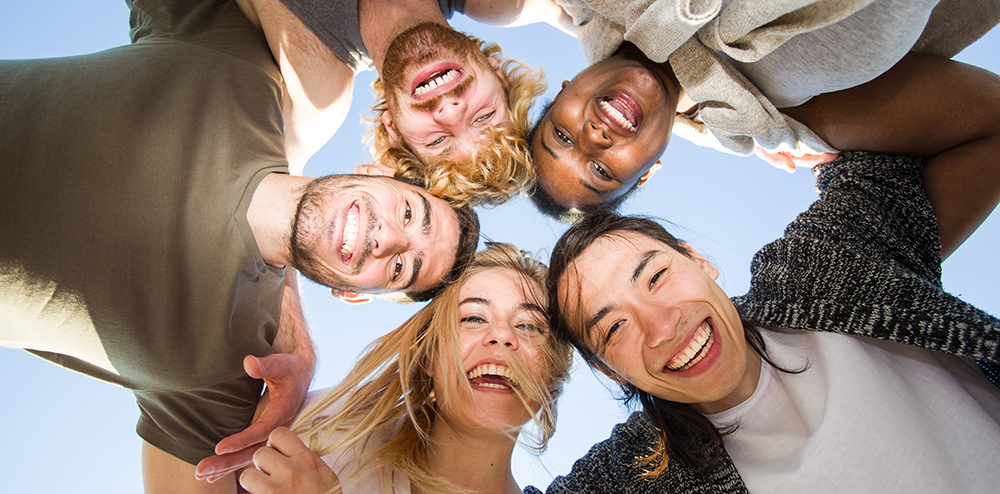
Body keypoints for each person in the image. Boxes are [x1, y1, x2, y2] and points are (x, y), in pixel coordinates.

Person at [0, 0, 480, 491]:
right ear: (375, 172)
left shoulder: (230, 371)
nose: (389, 238)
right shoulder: (241, 71)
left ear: (355, 294)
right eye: (408, 212)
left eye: (401, 268)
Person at [543, 151, 1000, 492]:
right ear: (607, 369)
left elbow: (937, 134)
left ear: (698, 260)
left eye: (657, 277)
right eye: (614, 328)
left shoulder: (816, 271)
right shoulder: (638, 472)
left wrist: (738, 110)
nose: (662, 328)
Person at [471, 0, 1000, 223]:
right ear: (650, 170)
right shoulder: (786, 118)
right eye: (602, 171)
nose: (591, 140)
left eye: (561, 136)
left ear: (565, 87)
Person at [238, 242, 572, 494]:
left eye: (529, 326)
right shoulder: (327, 426)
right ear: (429, 356)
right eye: (472, 318)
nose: (502, 336)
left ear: (555, 376)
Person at [233, 0, 547, 206]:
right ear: (499, 73)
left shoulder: (315, 85)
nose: (451, 113)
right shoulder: (503, 4)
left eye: (438, 141)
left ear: (393, 129)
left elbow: (272, 191)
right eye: (484, 117)